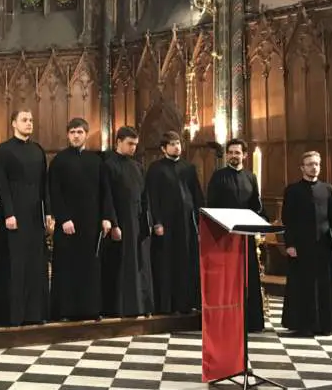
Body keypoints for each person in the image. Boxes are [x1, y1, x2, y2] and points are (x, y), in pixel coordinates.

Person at [48, 118, 114, 321]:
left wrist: (106, 217)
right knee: (67, 267)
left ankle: (91, 308)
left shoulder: (96, 161)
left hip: (91, 223)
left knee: (90, 267)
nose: (76, 135)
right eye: (72, 132)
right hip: (68, 225)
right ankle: (66, 311)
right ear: (68, 135)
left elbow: (106, 191)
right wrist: (64, 218)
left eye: (80, 132)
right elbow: (53, 192)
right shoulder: (59, 161)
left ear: (86, 134)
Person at [0, 110, 53, 326]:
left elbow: (44, 184)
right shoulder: (4, 150)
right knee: (15, 264)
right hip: (14, 214)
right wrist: (8, 212)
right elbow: (1, 184)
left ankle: (35, 313)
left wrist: (48, 212)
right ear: (13, 124)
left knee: (36, 263)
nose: (29, 123)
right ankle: (13, 314)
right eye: (24, 120)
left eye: (31, 120)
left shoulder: (38, 150)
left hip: (35, 215)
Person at [281, 151, 332, 336]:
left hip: (324, 245)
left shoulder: (327, 189)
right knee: (304, 286)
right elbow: (288, 220)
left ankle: (327, 324)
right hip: (301, 246)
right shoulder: (292, 190)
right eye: (310, 164)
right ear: (302, 167)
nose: (314, 167)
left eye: (317, 164)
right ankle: (304, 324)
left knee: (325, 286)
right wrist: (289, 244)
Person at [206, 138, 266, 332]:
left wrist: (261, 220)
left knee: (248, 276)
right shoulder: (218, 176)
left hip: (245, 235)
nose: (233, 156)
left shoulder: (250, 177)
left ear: (245, 155)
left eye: (237, 153)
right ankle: (225, 319)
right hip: (224, 236)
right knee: (227, 278)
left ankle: (251, 320)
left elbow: (256, 205)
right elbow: (211, 205)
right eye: (230, 152)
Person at [145, 130, 204, 314]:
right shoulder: (155, 169)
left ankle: (185, 303)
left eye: (178, 143)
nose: (176, 146)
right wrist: (157, 223)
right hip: (166, 224)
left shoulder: (189, 167)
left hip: (186, 224)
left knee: (186, 262)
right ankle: (166, 305)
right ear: (163, 148)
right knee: (166, 262)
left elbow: (197, 196)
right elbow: (152, 198)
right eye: (172, 144)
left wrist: (201, 220)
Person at [101, 126, 154, 318]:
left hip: (137, 221)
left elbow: (144, 195)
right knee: (122, 264)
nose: (133, 148)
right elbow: (107, 196)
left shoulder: (138, 166)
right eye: (130, 144)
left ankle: (139, 305)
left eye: (135, 145)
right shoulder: (108, 164)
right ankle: (120, 307)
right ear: (118, 142)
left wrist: (147, 220)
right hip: (121, 221)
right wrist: (114, 223)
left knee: (139, 264)